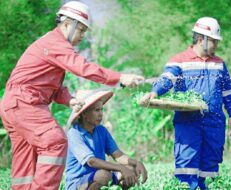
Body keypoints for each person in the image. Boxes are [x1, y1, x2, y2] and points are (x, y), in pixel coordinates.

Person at [0, 1, 144, 189]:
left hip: (14, 104)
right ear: (67, 24)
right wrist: (120, 78)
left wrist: (70, 100)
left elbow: (53, 88)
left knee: (26, 162)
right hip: (25, 102)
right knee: (55, 141)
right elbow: (83, 68)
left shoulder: (51, 45)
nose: (83, 36)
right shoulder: (56, 43)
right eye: (81, 30)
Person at [140, 17, 231, 190]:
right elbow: (167, 78)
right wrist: (155, 92)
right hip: (188, 122)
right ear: (201, 39)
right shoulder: (180, 60)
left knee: (210, 165)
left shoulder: (220, 64)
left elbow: (227, 91)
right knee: (187, 162)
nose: (216, 45)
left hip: (214, 123)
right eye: (214, 41)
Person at [65, 90, 148, 190]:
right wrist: (121, 168)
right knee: (104, 175)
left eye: (101, 110)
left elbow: (118, 155)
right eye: (97, 110)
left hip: (99, 176)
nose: (101, 114)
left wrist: (136, 163)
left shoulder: (101, 130)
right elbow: (91, 162)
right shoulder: (74, 133)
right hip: (77, 183)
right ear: (84, 113)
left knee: (131, 170)